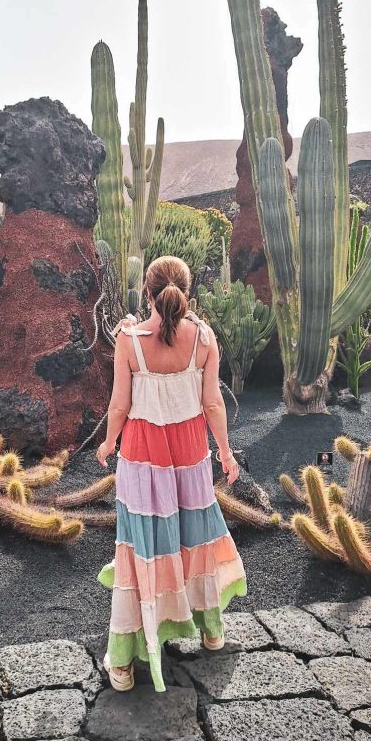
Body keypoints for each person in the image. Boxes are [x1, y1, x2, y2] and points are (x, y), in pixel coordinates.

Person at [95, 255, 248, 692]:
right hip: (191, 457)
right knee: (193, 537)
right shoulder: (203, 339)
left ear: (147, 293)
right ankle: (211, 631)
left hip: (144, 461)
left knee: (143, 547)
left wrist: (108, 443)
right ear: (186, 292)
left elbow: (120, 405)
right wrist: (226, 451)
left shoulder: (129, 340)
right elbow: (213, 403)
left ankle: (123, 663)